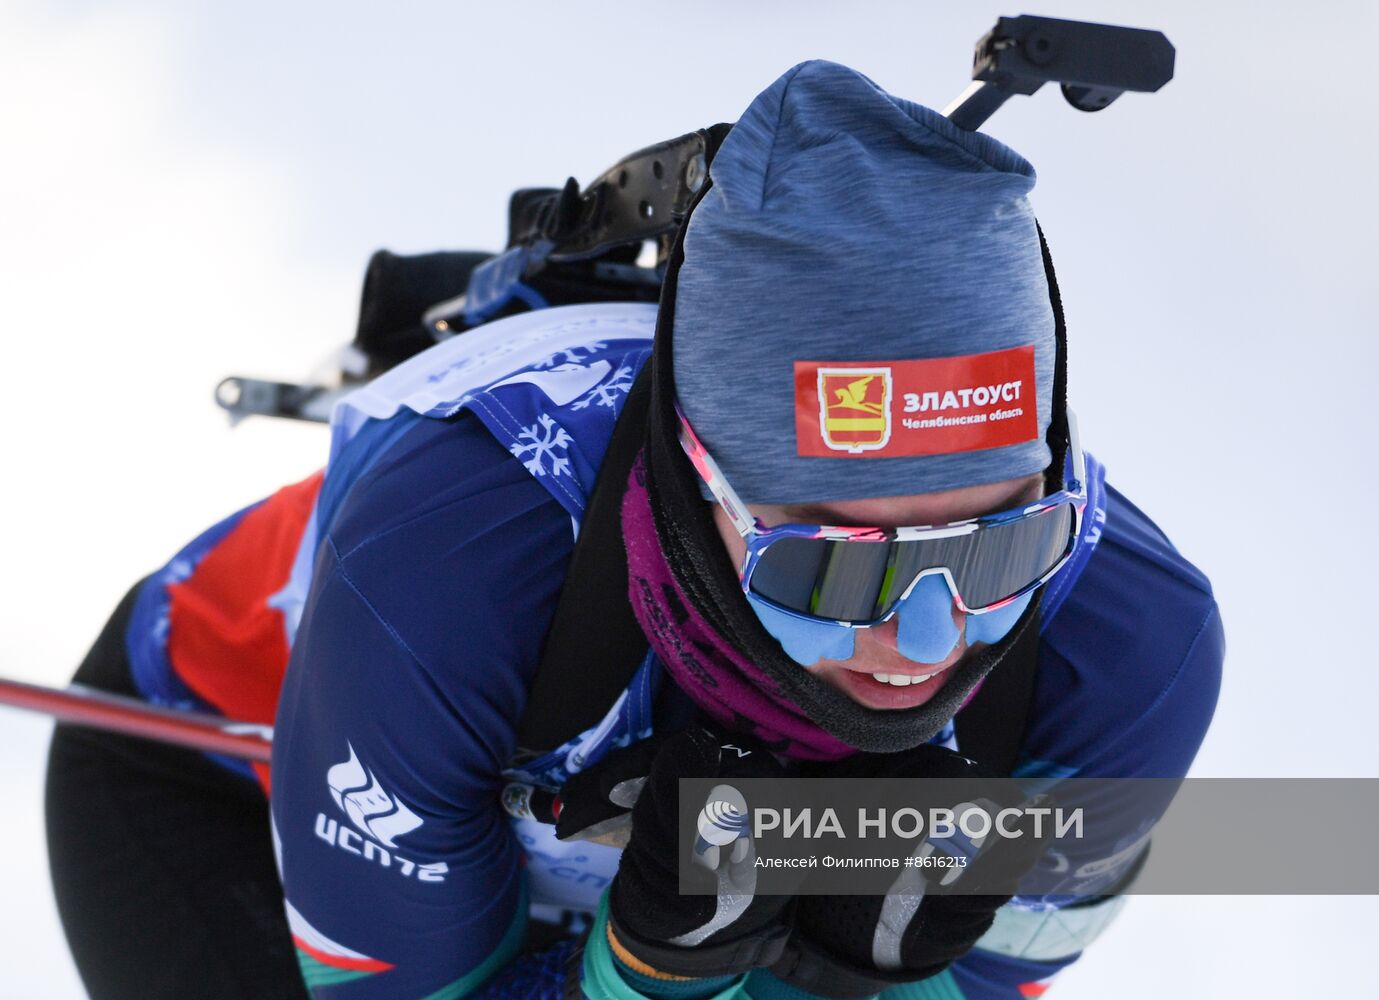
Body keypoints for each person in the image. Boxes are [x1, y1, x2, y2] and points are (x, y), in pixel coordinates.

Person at [45, 61, 1223, 999]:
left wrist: (841, 980)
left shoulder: (1125, 651)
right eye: (827, 567)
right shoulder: (446, 575)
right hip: (216, 778)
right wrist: (644, 976)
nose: (921, 641)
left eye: (997, 549)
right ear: (700, 481)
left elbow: (982, 978)